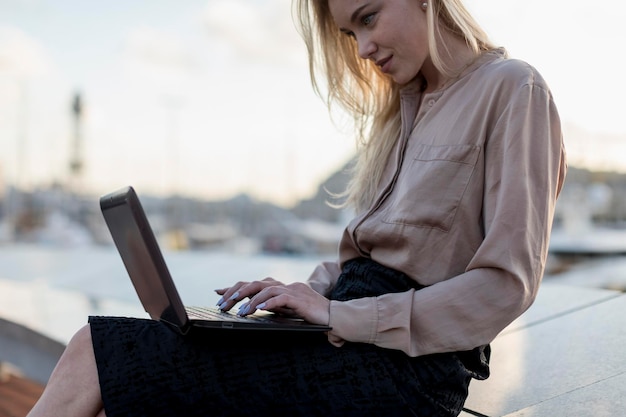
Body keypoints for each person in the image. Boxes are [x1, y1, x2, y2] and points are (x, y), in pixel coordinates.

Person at [27, 0, 566, 416]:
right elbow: (373, 257)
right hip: (345, 339)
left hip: (404, 371)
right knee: (121, 371)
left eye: (369, 18)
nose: (363, 48)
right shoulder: (403, 111)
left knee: (97, 353)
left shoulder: (513, 88)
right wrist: (303, 294)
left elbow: (505, 284)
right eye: (351, 33)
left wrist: (336, 314)